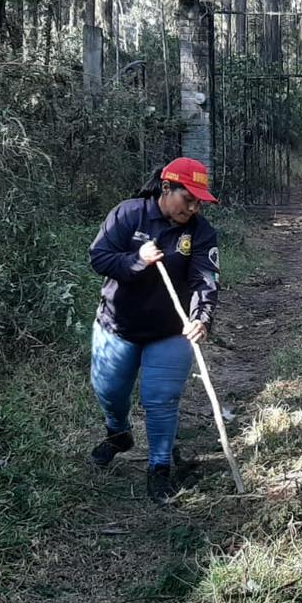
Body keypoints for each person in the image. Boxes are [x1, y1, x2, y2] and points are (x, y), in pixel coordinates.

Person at [87, 157, 219, 503]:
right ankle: (118, 434)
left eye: (198, 202)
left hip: (170, 330)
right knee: (110, 392)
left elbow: (205, 278)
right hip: (118, 325)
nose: (191, 208)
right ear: (165, 188)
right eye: (186, 198)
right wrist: (137, 260)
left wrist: (201, 318)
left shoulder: (201, 232)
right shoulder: (129, 215)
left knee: (161, 400)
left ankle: (159, 467)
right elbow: (99, 257)